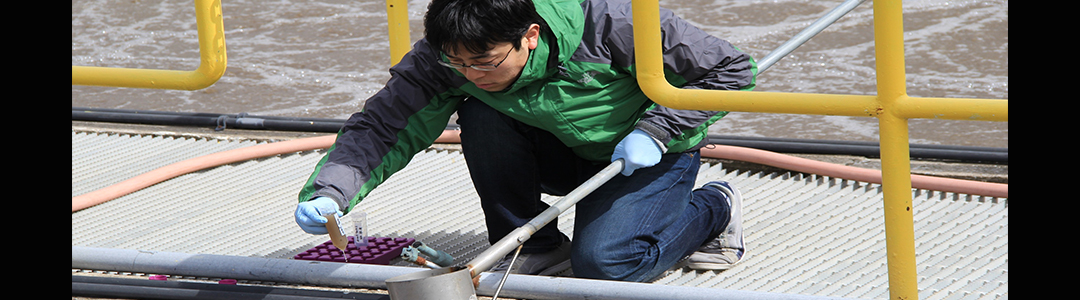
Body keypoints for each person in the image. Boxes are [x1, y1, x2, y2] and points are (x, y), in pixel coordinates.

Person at [294, 0, 756, 282]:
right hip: (557, 149)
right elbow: (382, 126)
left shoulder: (612, 22)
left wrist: (658, 130)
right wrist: (332, 191)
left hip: (643, 153)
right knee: (478, 112)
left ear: (530, 35)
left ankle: (715, 206)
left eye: (485, 62)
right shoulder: (445, 57)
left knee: (607, 265)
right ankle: (535, 246)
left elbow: (732, 70)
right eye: (458, 64)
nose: (471, 73)